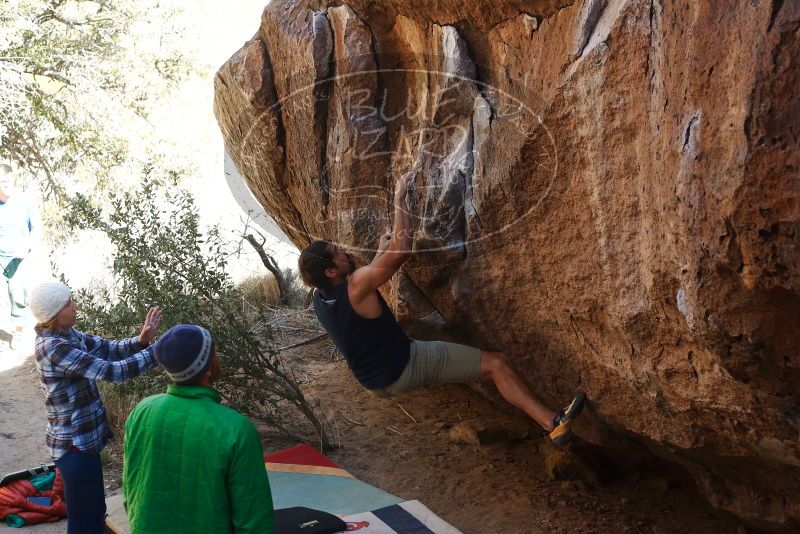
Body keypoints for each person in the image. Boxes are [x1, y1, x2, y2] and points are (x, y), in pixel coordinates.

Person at [299, 174, 586, 445]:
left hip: (375, 382)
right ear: (330, 271)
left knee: (487, 366)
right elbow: (402, 251)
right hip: (406, 365)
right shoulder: (357, 284)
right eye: (336, 253)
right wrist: (400, 199)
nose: (342, 251)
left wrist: (378, 254)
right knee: (497, 364)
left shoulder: (320, 302)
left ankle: (548, 421)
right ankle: (552, 423)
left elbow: (364, 287)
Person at [29, 281, 163, 534]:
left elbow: (106, 348)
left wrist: (141, 341)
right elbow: (111, 371)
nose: (75, 306)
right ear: (55, 313)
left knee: (93, 514)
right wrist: (158, 352)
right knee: (85, 523)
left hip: (83, 443)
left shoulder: (66, 334)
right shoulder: (54, 348)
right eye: (69, 303)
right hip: (74, 446)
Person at [123, 324, 274, 534]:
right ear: (209, 367)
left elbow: (130, 490)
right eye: (214, 352)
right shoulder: (235, 429)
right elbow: (255, 522)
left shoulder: (142, 411)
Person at [0, 161, 38, 348]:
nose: (6, 185)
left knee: (18, 297)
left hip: (19, 259)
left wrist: (27, 245)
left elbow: (37, 229)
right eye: (2, 182)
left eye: (8, 180)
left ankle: (19, 333)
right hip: (0, 258)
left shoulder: (24, 202)